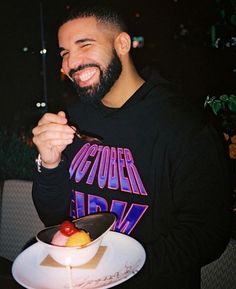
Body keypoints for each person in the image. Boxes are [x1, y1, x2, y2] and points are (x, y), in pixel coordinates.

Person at [32, 1, 232, 288]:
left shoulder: (184, 126)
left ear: (122, 43)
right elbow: (55, 218)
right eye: (64, 52)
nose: (69, 63)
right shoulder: (73, 119)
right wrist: (50, 164)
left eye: (84, 45)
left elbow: (207, 233)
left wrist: (120, 272)